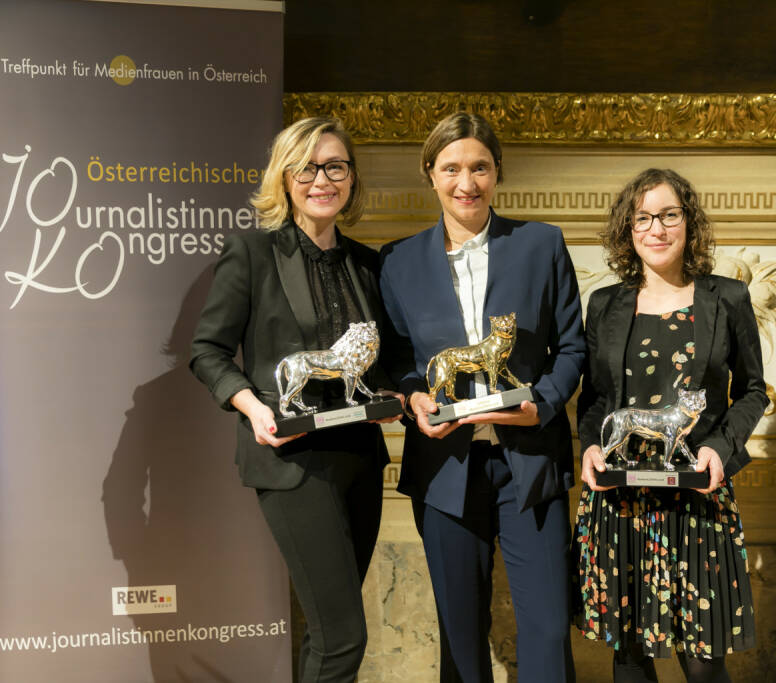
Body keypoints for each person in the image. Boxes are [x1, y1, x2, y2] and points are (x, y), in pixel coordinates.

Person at [190, 117, 401, 683]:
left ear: (351, 178)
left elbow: (389, 359)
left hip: (360, 457)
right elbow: (207, 351)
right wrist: (255, 408)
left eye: (335, 166)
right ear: (285, 178)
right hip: (292, 462)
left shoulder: (368, 264)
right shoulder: (252, 253)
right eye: (306, 167)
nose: (322, 179)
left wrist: (410, 391)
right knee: (344, 640)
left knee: (329, 635)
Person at [379, 112, 583, 683]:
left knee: (546, 630)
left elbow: (572, 348)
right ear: (430, 174)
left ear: (498, 173)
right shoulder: (396, 261)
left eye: (479, 168)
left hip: (531, 463)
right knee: (461, 636)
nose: (465, 182)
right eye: (451, 168)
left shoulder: (541, 243)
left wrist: (540, 404)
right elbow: (397, 359)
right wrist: (416, 396)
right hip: (445, 467)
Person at [574, 168, 768, 683]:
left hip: (696, 492)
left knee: (703, 663)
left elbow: (753, 390)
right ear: (627, 228)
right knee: (630, 658)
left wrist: (721, 451)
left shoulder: (726, 298)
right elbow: (595, 399)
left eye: (668, 215)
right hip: (620, 498)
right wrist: (592, 448)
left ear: (688, 222)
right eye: (643, 217)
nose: (656, 228)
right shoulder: (605, 305)